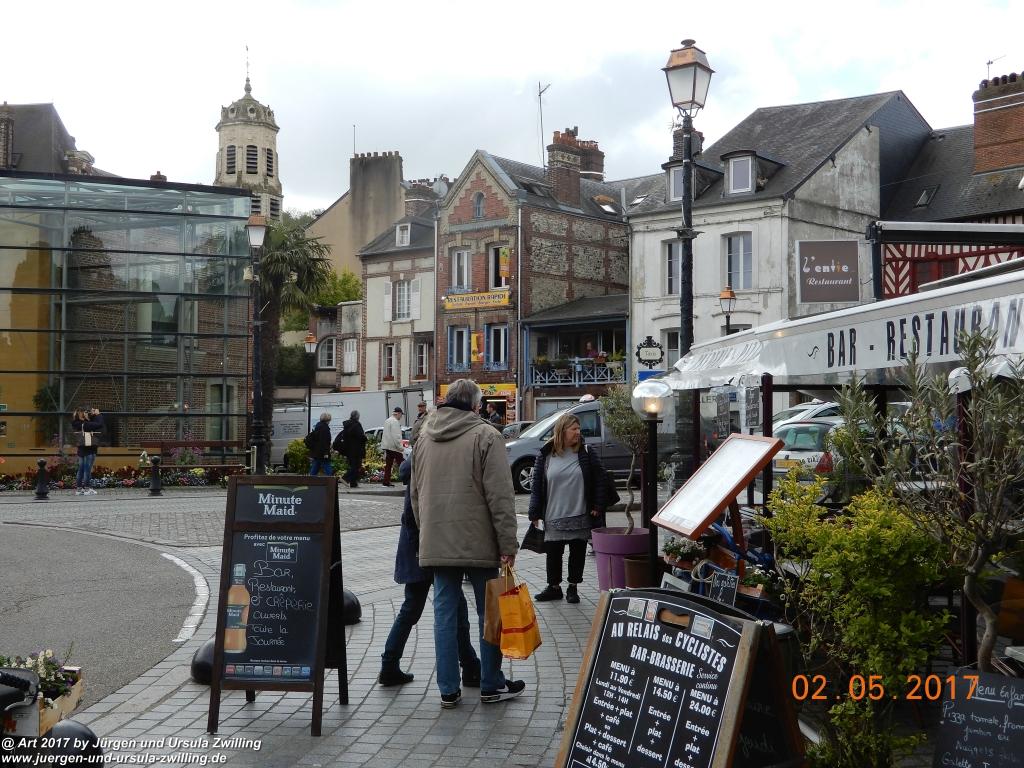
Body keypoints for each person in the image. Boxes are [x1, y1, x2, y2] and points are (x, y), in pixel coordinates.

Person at [412, 378, 524, 708]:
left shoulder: (424, 437)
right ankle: (491, 683)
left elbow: (415, 495)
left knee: (444, 614)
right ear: (476, 405)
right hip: (481, 542)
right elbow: (501, 497)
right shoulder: (487, 435)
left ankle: (448, 688)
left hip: (437, 540)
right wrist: (508, 543)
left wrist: (426, 532)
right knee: (490, 613)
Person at [379, 457, 480, 687]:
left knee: (413, 609)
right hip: (427, 551)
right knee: (454, 606)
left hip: (421, 550)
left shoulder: (418, 461)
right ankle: (470, 666)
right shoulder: (424, 462)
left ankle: (389, 664)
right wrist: (420, 551)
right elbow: (411, 514)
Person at [527, 412, 609, 604]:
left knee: (577, 553)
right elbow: (537, 485)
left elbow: (601, 478)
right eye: (574, 429)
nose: (578, 432)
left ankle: (573, 587)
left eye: (579, 429)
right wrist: (534, 512)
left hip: (580, 513)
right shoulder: (546, 454)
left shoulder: (586, 452)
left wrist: (598, 504)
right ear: (562, 431)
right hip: (553, 514)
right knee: (553, 553)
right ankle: (554, 587)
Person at [71, 408, 101, 495]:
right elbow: (99, 424)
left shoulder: (76, 423)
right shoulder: (86, 424)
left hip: (81, 449)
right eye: (85, 413)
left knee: (81, 469)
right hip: (89, 449)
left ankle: (79, 489)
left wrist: (92, 415)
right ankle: (87, 489)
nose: (87, 414)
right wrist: (98, 414)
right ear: (82, 415)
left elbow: (93, 423)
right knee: (87, 469)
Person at [334, 410, 366, 488]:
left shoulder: (347, 425)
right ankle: (344, 478)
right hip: (356, 449)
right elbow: (361, 436)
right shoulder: (356, 425)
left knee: (353, 465)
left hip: (348, 450)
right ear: (357, 417)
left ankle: (353, 483)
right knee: (356, 466)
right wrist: (365, 438)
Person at [381, 407, 404, 486]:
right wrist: (400, 447)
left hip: (388, 446)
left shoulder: (387, 420)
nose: (401, 417)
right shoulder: (395, 422)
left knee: (388, 465)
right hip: (394, 447)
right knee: (402, 463)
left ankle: (386, 481)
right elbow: (396, 436)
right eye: (401, 415)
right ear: (398, 413)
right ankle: (407, 479)